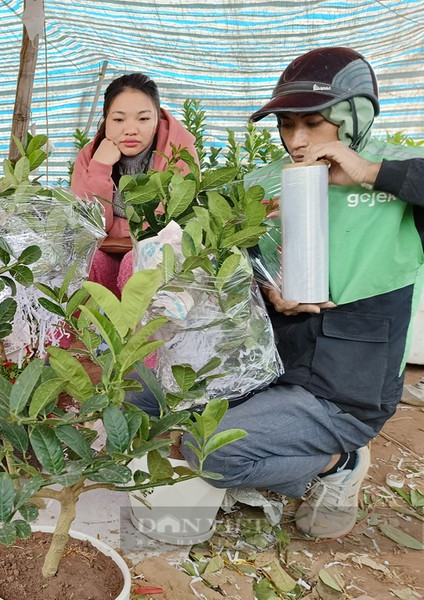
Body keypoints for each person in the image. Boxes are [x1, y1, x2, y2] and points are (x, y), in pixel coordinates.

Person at [128, 47, 424, 539]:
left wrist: (369, 172)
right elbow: (241, 266)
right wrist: (269, 293)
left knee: (210, 453)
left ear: (353, 117)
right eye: (288, 125)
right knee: (139, 394)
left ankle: (338, 462)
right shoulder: (269, 182)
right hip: (266, 367)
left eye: (312, 123)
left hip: (342, 392)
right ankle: (270, 439)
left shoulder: (393, 175)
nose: (298, 140)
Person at [70, 73, 198, 297]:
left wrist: (117, 230)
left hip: (160, 257)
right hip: (107, 253)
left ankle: (142, 333)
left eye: (143, 119)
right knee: (89, 265)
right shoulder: (90, 156)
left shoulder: (179, 152)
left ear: (157, 119)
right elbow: (87, 227)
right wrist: (100, 167)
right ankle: (87, 332)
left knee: (136, 263)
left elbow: (168, 227)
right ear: (106, 120)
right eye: (119, 119)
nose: (130, 129)